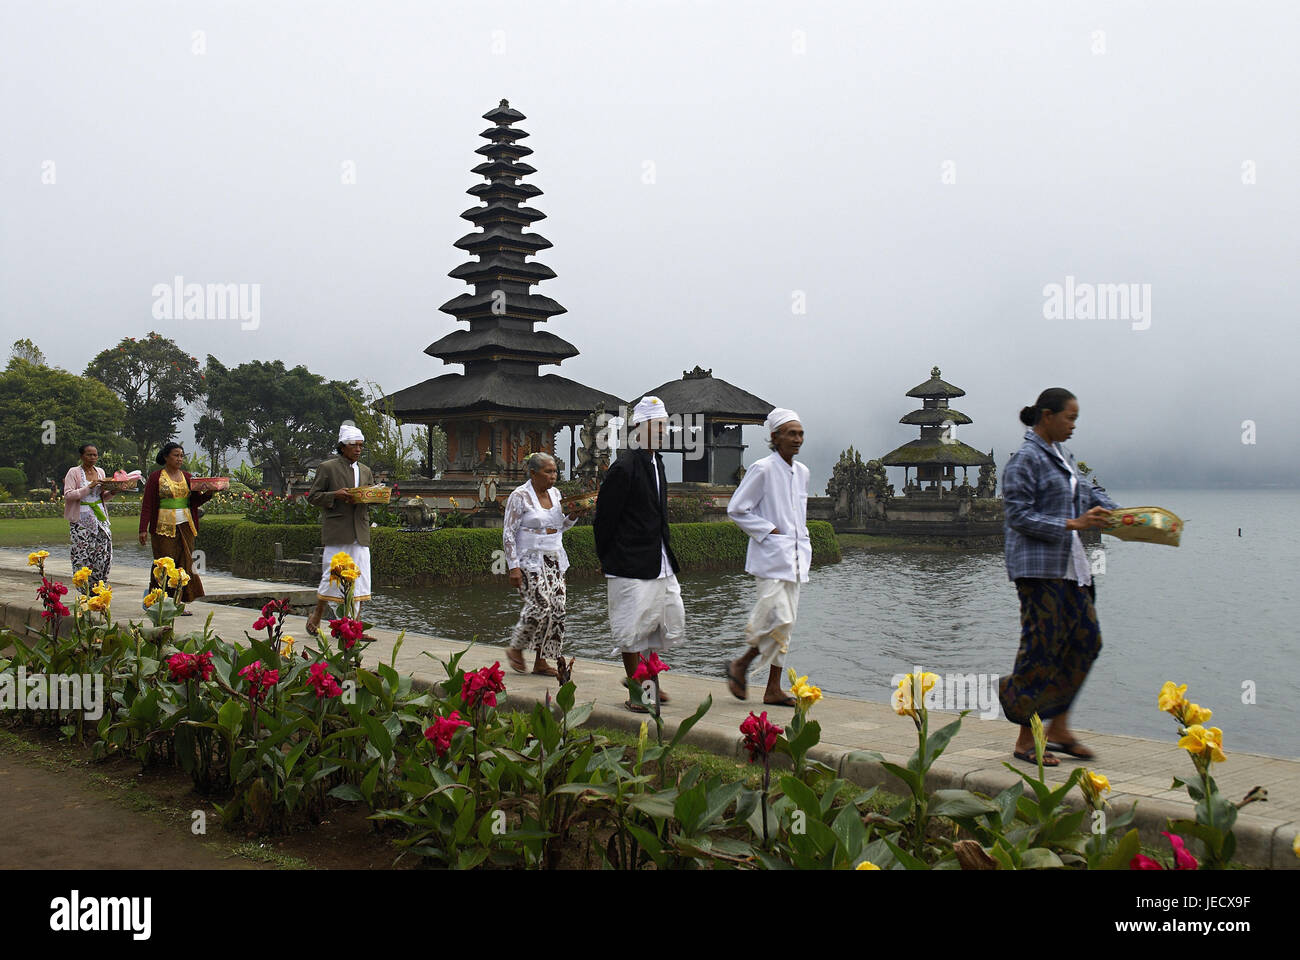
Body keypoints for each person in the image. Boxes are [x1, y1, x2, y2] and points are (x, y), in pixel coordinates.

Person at [1000, 388, 1118, 765]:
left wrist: (1128, 517)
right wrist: (1072, 523)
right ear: (1046, 416)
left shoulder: (1062, 457)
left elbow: (1088, 493)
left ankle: (1060, 728)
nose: (1073, 425)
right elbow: (1018, 516)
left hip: (1072, 568)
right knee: (1042, 647)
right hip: (1038, 569)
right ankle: (1025, 737)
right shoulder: (1024, 460)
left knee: (1086, 641)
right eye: (1070, 417)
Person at [593, 396, 683, 712]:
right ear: (638, 428)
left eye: (663, 426)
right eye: (655, 426)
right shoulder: (624, 467)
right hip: (628, 561)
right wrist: (607, 559)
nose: (661, 431)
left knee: (659, 622)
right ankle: (639, 693)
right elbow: (604, 518)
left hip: (657, 557)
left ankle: (648, 681)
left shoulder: (657, 463)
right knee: (631, 629)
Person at [724, 409, 811, 707]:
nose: (797, 439)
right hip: (772, 557)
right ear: (775, 437)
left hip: (796, 558)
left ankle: (773, 687)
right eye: (791, 433)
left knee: (787, 624)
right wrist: (769, 530)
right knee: (778, 617)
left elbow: (798, 515)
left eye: (800, 433)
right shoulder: (762, 469)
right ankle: (742, 663)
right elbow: (737, 509)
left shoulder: (803, 473)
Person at [502, 452, 590, 677]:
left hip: (555, 557)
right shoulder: (519, 496)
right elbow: (508, 534)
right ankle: (516, 647)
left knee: (558, 609)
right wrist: (513, 566)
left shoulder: (555, 493)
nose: (553, 476)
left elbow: (560, 526)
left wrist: (573, 516)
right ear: (533, 473)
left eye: (555, 471)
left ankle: (542, 660)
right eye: (548, 472)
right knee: (540, 605)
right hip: (529, 559)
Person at [304, 424, 374, 635]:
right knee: (332, 576)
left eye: (361, 446)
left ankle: (355, 627)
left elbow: (369, 495)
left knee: (361, 579)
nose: (358, 449)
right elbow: (313, 497)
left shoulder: (365, 471)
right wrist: (335, 495)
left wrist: (375, 496)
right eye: (354, 445)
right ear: (343, 446)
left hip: (359, 532)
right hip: (338, 532)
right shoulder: (328, 468)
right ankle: (317, 615)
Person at [139, 442, 215, 612]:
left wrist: (208, 494)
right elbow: (148, 504)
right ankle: (158, 601)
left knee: (184, 564)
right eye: (176, 455)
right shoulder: (155, 477)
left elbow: (194, 501)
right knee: (164, 564)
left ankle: (178, 604)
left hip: (186, 525)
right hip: (162, 526)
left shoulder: (187, 477)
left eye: (181, 456)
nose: (179, 459)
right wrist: (143, 528)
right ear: (166, 457)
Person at [63, 444, 118, 586]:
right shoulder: (74, 472)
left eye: (95, 455)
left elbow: (101, 497)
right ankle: (83, 587)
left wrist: (113, 492)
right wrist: (88, 487)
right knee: (82, 553)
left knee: (103, 552)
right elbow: (68, 495)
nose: (93, 458)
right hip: (81, 519)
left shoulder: (100, 472)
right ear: (82, 456)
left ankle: (99, 585)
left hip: (100, 517)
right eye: (89, 455)